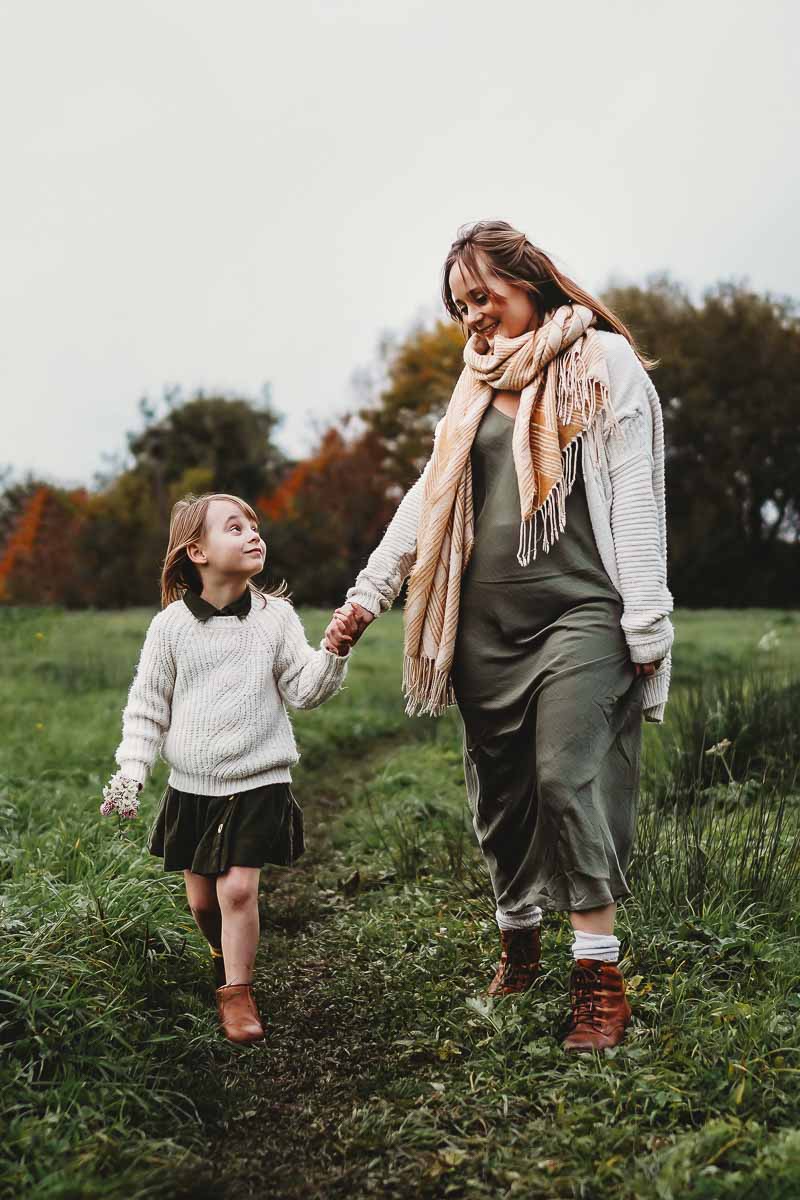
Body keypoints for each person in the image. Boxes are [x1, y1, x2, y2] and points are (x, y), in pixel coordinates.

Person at [325, 221, 674, 1052]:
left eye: (485, 296)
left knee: (564, 774)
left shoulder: (600, 362)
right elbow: (432, 492)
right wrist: (370, 593)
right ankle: (519, 937)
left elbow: (635, 491)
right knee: (502, 791)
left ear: (531, 280)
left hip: (583, 613)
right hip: (483, 623)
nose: (474, 317)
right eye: (459, 305)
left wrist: (646, 619)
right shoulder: (473, 382)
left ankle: (599, 977)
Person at [100, 492, 352, 1044]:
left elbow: (303, 691)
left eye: (254, 526)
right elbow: (147, 708)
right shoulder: (170, 629)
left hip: (259, 780)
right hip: (191, 787)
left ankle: (236, 994)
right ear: (198, 551)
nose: (252, 535)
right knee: (200, 900)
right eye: (234, 528)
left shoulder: (275, 619)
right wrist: (130, 773)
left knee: (237, 890)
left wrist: (333, 652)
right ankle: (220, 955)